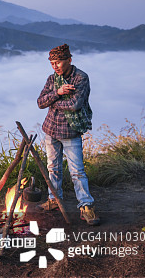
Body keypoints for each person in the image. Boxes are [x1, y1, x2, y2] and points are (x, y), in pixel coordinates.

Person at [36, 44, 100, 225]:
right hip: (51, 129)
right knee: (52, 168)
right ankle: (54, 200)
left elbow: (75, 104)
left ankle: (86, 206)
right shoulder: (52, 79)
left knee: (77, 171)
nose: (55, 66)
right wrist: (57, 92)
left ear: (69, 60)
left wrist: (53, 102)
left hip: (70, 131)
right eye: (52, 63)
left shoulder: (81, 78)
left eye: (58, 62)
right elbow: (40, 102)